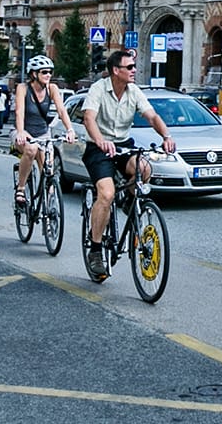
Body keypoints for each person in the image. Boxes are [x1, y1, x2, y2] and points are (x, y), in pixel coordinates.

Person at [81, 49, 177, 282]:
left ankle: (130, 203)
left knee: (145, 168)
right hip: (99, 149)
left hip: (123, 146)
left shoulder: (134, 91)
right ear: (116, 70)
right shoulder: (98, 89)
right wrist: (100, 141)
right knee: (106, 194)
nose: (134, 70)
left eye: (134, 66)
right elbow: (88, 118)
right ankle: (95, 250)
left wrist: (166, 136)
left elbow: (152, 116)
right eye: (130, 67)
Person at [11, 55, 77, 209]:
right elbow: (19, 112)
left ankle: (49, 208)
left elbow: (61, 110)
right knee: (31, 149)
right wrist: (21, 132)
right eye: (44, 72)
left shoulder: (52, 88)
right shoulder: (23, 88)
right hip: (23, 131)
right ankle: (20, 189)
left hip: (43, 133)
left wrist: (70, 129)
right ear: (34, 74)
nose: (48, 75)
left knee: (48, 170)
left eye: (50, 72)